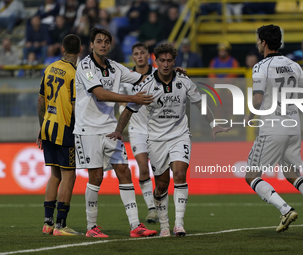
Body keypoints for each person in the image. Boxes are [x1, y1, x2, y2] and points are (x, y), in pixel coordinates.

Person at [109, 43, 229, 237]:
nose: (166, 64)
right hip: (156, 140)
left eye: (169, 61)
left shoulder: (184, 81)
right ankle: (164, 224)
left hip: (180, 135)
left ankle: (179, 224)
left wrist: (214, 124)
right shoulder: (147, 86)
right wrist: (118, 130)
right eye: (162, 61)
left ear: (175, 61)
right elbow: (130, 109)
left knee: (180, 174)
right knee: (162, 185)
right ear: (156, 61)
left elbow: (200, 103)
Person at [245, 24, 303, 237]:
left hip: (273, 126)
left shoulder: (260, 67)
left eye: (259, 40)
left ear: (264, 42)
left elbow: (257, 100)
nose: (258, 44)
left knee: (251, 175)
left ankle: (285, 210)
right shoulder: (293, 64)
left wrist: (246, 118)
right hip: (294, 126)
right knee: (292, 173)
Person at [74, 27, 157, 238]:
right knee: (96, 176)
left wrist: (168, 75)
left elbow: (141, 79)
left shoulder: (115, 67)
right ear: (91, 45)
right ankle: (91, 227)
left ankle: (135, 225)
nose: (103, 44)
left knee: (124, 172)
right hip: (88, 129)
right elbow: (100, 95)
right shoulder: (85, 65)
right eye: (99, 41)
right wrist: (133, 99)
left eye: (106, 41)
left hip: (110, 129)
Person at [37, 34, 83, 236]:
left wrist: (41, 127)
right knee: (68, 176)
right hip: (65, 130)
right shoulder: (75, 73)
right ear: (80, 50)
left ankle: (47, 223)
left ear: (62, 49)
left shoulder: (49, 68)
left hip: (47, 127)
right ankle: (61, 225)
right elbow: (74, 106)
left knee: (54, 174)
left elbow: (40, 101)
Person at [119, 42, 158, 224]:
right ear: (132, 57)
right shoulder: (127, 77)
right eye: (136, 53)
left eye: (143, 53)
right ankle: (152, 209)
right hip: (136, 129)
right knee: (143, 167)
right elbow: (121, 102)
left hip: (158, 129)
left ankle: (159, 204)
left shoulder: (158, 74)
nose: (140, 56)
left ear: (148, 55)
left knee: (160, 171)